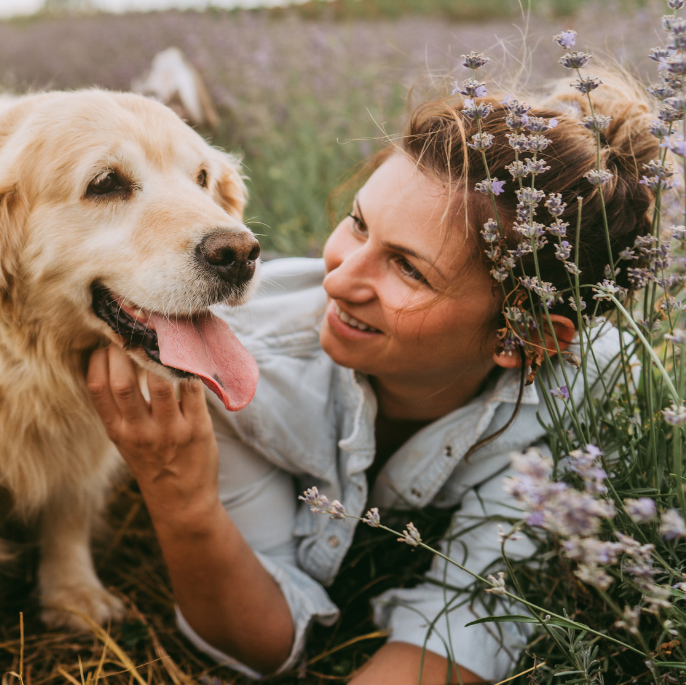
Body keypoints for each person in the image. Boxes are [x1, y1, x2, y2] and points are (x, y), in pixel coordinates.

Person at [86, 71, 659, 683]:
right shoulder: (234, 370)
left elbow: (459, 635)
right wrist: (181, 496)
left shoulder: (590, 405)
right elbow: (265, 643)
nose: (338, 281)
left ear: (527, 338)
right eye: (359, 224)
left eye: (408, 269)